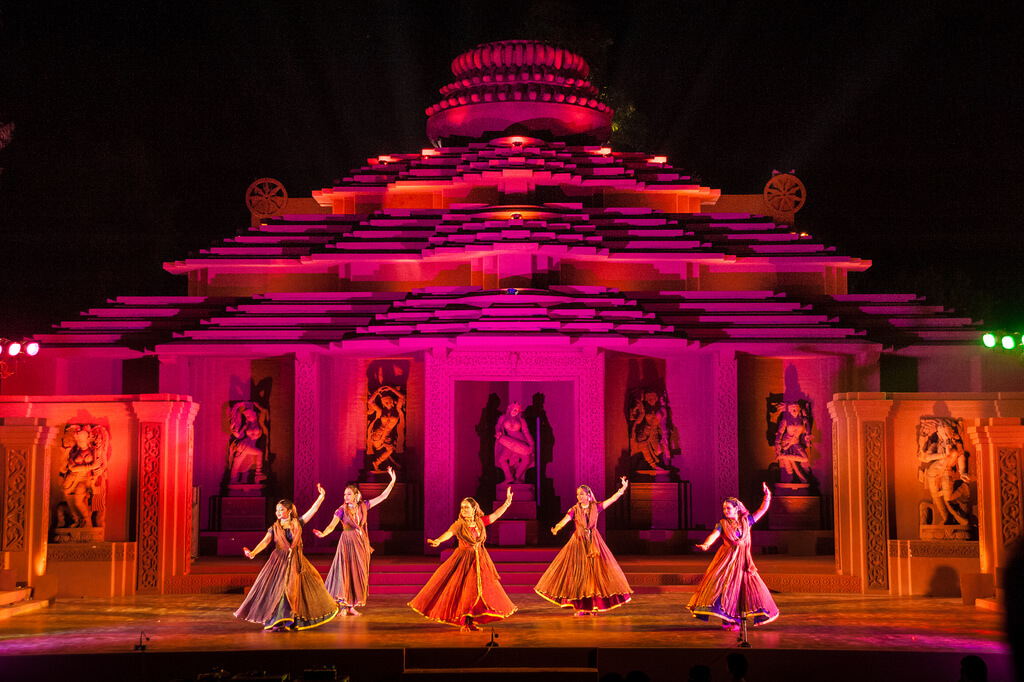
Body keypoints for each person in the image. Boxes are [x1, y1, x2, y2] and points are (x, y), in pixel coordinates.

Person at [408, 487, 517, 631]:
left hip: (480, 560)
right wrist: (439, 541)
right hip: (464, 560)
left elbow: (495, 515)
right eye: (462, 507)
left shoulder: (479, 522)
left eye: (466, 507)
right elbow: (449, 532)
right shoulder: (459, 524)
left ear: (474, 509)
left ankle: (470, 622)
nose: (463, 509)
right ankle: (465, 622)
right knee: (467, 591)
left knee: (480, 591)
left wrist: (507, 503)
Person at [234, 484, 339, 631]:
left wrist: (321, 497)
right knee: (280, 590)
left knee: (292, 590)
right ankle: (277, 621)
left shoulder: (298, 523)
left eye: (281, 509)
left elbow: (312, 511)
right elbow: (265, 542)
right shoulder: (274, 527)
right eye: (276, 510)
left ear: (289, 511)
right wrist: (253, 552)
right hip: (278, 562)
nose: (278, 512)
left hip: (296, 562)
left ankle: (287, 620)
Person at [534, 477, 633, 615]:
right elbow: (565, 520)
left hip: (593, 543)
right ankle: (582, 607)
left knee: (593, 575)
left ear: (588, 495)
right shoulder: (574, 509)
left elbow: (612, 500)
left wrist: (622, 489)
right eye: (577, 494)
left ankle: (593, 607)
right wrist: (557, 527)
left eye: (582, 494)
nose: (579, 497)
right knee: (579, 575)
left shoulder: (596, 507)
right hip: (578, 543)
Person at [688, 482, 779, 630]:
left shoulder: (746, 521)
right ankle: (728, 620)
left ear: (737, 509)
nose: (725, 511)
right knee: (725, 588)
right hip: (727, 561)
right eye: (724, 508)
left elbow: (761, 511)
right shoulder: (722, 524)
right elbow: (714, 535)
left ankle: (740, 618)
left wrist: (767, 497)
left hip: (743, 562)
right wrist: (706, 544)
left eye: (728, 508)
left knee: (746, 589)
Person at [313, 467, 397, 615]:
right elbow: (332, 525)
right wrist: (324, 533)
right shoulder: (341, 510)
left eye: (349, 494)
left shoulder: (364, 506)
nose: (345, 496)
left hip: (361, 543)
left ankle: (352, 605)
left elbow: (383, 496)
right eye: (344, 494)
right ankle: (343, 606)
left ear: (356, 495)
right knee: (345, 572)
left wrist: (392, 481)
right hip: (347, 542)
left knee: (358, 573)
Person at [367, 386, 405, 471]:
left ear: (391, 401)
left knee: (390, 450)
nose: (385, 403)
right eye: (384, 402)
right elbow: (370, 402)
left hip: (388, 436)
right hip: (378, 434)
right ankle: (377, 462)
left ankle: (377, 462)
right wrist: (377, 391)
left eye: (387, 401)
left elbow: (401, 397)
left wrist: (391, 389)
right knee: (383, 448)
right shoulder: (381, 411)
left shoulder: (397, 409)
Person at [495, 401, 534, 484]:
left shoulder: (521, 420)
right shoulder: (503, 418)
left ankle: (517, 477)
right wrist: (498, 432)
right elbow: (498, 426)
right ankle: (508, 477)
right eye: (513, 409)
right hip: (508, 441)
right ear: (509, 409)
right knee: (501, 460)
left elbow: (526, 432)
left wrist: (531, 444)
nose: (515, 412)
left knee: (526, 460)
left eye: (517, 410)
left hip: (520, 441)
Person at [774, 401, 811, 482]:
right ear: (789, 411)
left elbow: (808, 430)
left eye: (796, 408)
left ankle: (784, 456)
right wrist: (777, 443)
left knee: (805, 459)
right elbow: (780, 432)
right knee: (789, 469)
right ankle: (792, 478)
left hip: (796, 442)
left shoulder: (803, 420)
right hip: (786, 442)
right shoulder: (786, 420)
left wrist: (807, 437)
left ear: (799, 409)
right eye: (792, 409)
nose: (794, 410)